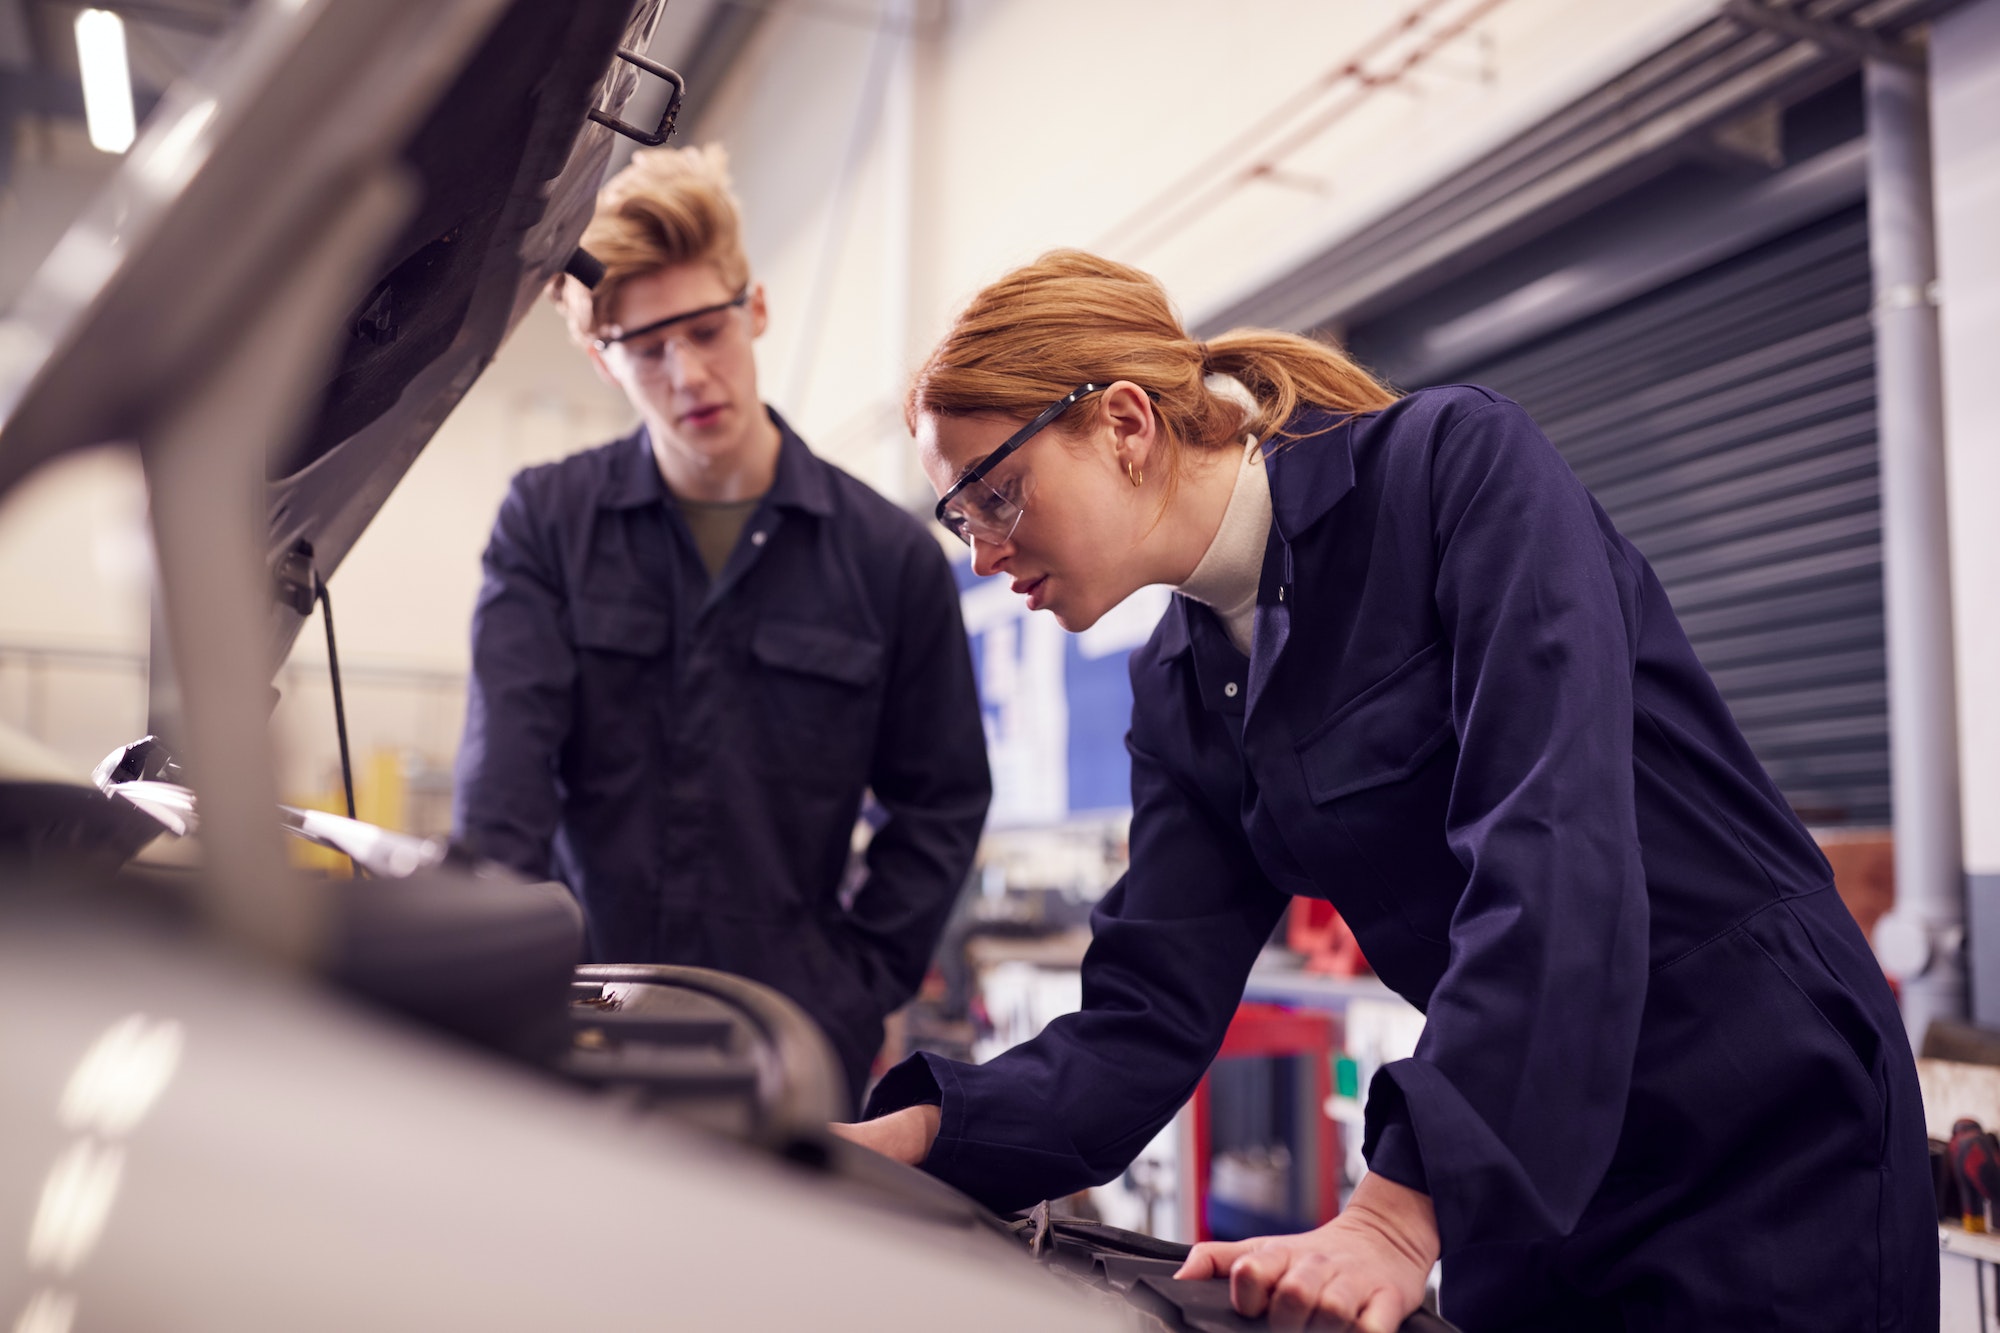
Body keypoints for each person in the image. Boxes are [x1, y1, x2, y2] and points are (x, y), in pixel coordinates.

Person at [832, 250, 1935, 1331]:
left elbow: (1552, 846)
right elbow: (1144, 1015)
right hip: (1517, 1150)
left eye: (995, 494)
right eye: (959, 517)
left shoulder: (1451, 471)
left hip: (1752, 1112)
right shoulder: (1177, 684)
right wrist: (909, 1141)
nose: (981, 553)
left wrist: (1394, 1217)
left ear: (1123, 424)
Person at [452, 146, 991, 1108]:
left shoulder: (889, 558)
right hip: (573, 1028)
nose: (689, 372)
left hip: (784, 1045)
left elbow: (940, 806)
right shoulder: (546, 525)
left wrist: (847, 994)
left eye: (707, 330)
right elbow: (503, 802)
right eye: (648, 349)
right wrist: (500, 996)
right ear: (599, 359)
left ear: (758, 308)